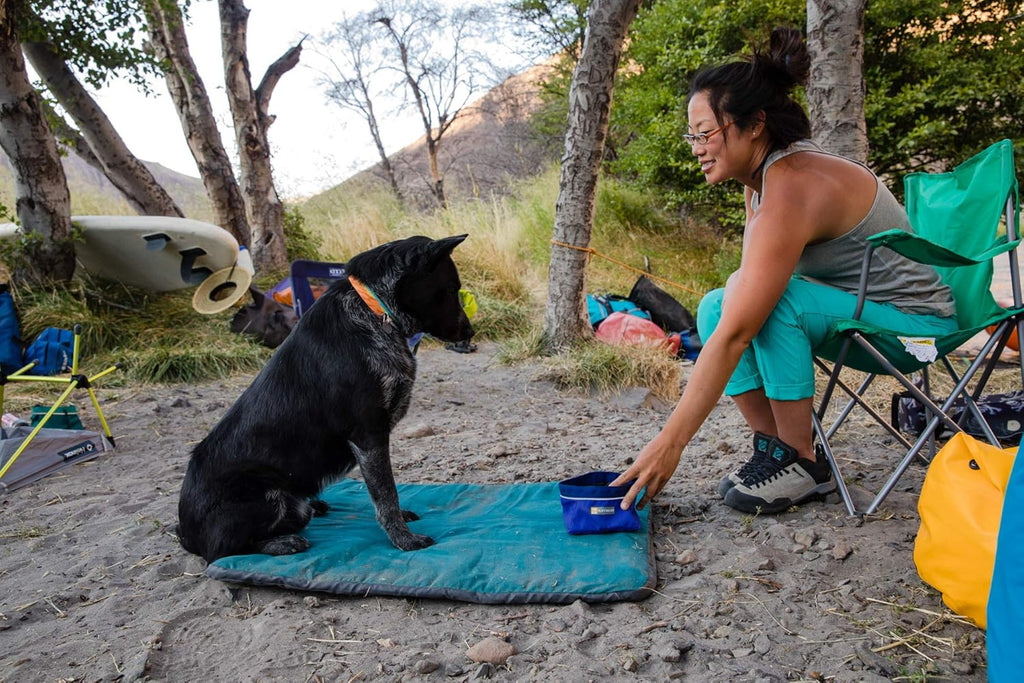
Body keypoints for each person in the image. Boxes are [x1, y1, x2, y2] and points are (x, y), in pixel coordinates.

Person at [610, 27, 957, 515]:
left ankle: (802, 462)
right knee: (715, 305)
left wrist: (671, 443)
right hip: (867, 320)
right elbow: (735, 309)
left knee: (776, 305)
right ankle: (774, 451)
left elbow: (742, 331)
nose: (696, 147)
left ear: (754, 125)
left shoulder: (793, 183)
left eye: (705, 132)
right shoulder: (762, 184)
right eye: (692, 135)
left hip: (917, 332)